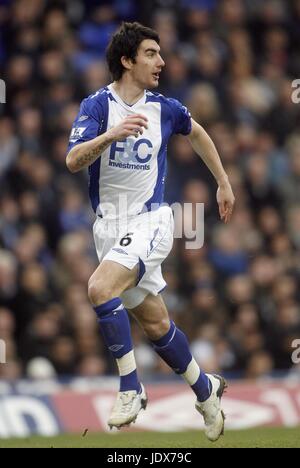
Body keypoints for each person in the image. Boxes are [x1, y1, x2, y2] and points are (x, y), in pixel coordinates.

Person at [66, 22, 235, 442]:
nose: (161, 62)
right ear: (126, 61)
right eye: (150, 54)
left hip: (152, 220)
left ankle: (130, 387)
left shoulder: (166, 108)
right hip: (109, 228)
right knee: (155, 322)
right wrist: (111, 134)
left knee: (99, 288)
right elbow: (73, 160)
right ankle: (205, 390)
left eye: (160, 53)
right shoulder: (97, 106)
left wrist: (223, 181)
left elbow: (197, 134)